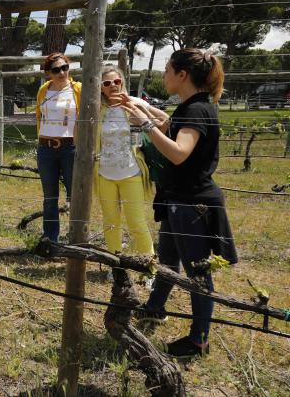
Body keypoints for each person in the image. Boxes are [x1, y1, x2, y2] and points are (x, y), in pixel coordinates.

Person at [124, 48, 237, 360]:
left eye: (167, 70)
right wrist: (146, 111)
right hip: (180, 201)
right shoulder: (192, 106)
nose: (164, 76)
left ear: (182, 75)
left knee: (198, 274)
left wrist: (145, 124)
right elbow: (172, 128)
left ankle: (198, 341)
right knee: (168, 261)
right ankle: (155, 307)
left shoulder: (197, 111)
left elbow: (178, 152)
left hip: (192, 205)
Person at [95, 66, 167, 269]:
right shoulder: (97, 108)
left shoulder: (135, 104)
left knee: (136, 223)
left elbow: (164, 120)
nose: (112, 86)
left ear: (122, 82)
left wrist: (142, 117)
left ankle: (150, 267)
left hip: (131, 173)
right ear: (100, 88)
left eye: (116, 82)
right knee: (110, 224)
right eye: (107, 83)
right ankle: (115, 267)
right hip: (104, 174)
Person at [35, 53, 81, 242]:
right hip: (46, 148)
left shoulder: (78, 89)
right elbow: (39, 116)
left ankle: (77, 237)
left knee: (75, 194)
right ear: (48, 73)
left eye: (65, 68)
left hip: (70, 148)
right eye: (56, 70)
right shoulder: (43, 90)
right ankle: (51, 238)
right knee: (50, 196)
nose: (62, 72)